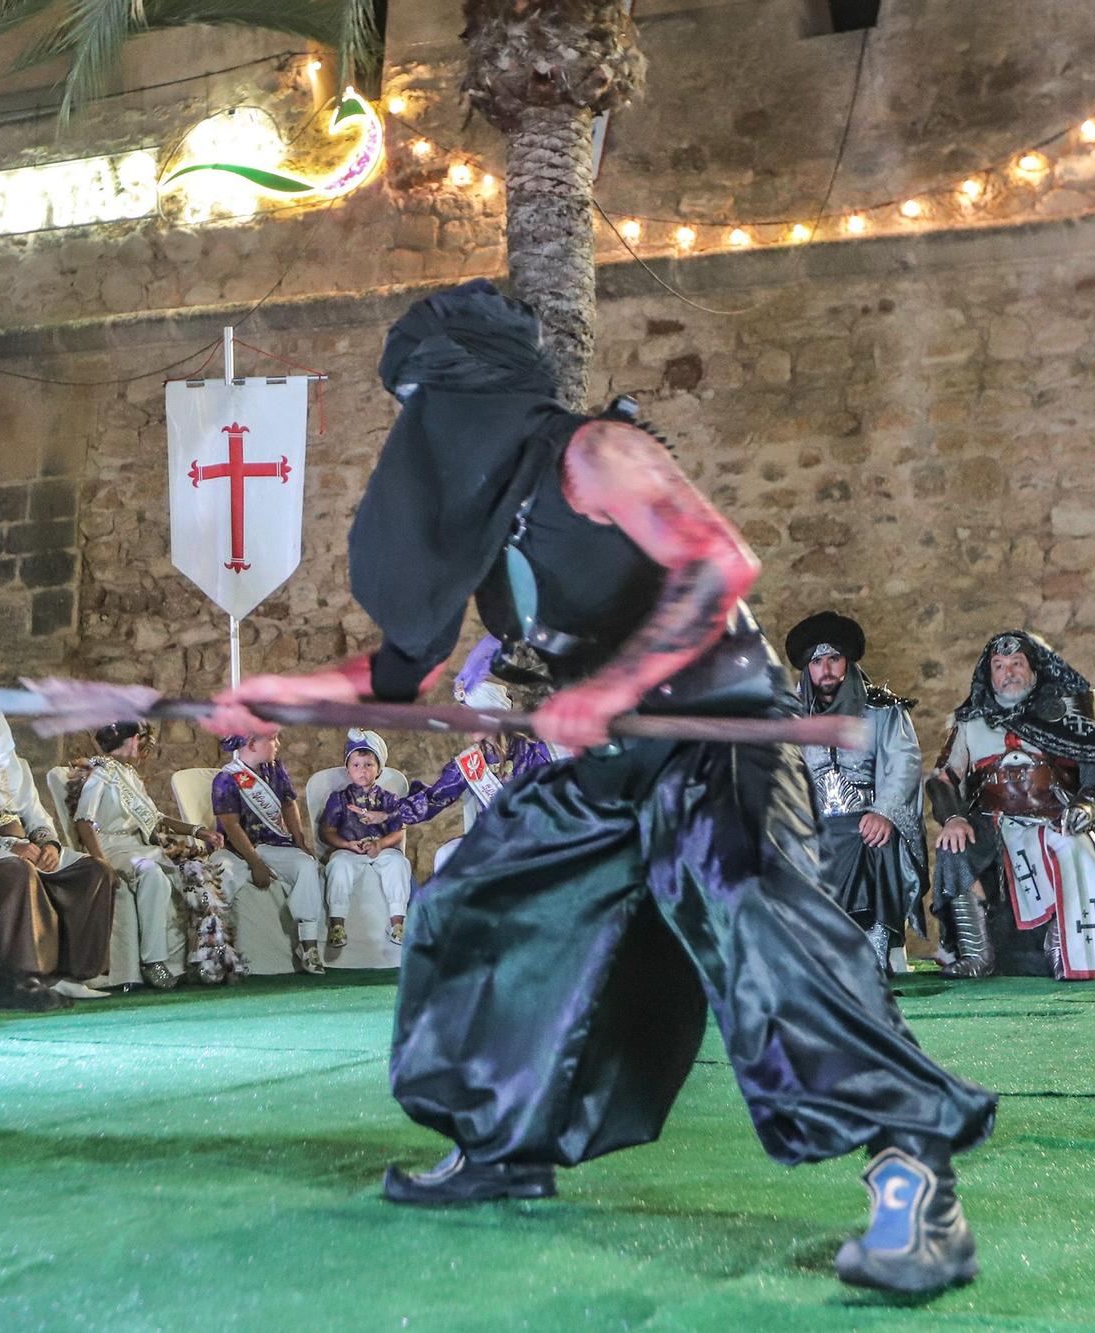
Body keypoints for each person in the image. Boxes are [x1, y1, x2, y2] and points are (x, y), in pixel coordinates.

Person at [211, 280, 995, 1295]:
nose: (420, 428)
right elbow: (404, 671)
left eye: (427, 399)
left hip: (715, 730)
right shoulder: (484, 520)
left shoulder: (593, 454)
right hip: (618, 753)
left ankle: (911, 1180)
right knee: (482, 896)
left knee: (750, 910)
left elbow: (717, 565)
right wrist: (282, 693)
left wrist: (617, 682)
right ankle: (503, 1141)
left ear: (476, 393)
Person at [929, 631, 1095, 979]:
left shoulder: (1069, 716)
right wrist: (953, 818)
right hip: (992, 822)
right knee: (955, 849)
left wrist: (1085, 809)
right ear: (989, 674)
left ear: (1034, 669)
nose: (1007, 672)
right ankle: (976, 953)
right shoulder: (970, 722)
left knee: (1073, 851)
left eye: (1016, 664)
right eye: (999, 666)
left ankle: (1063, 948)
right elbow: (942, 780)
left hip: (1053, 819)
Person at [0, 699, 118, 1000]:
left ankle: (74, 973)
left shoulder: (15, 764)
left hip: (26, 846)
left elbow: (36, 814)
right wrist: (11, 846)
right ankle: (30, 975)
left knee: (95, 870)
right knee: (20, 871)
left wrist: (48, 844)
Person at [784, 612, 926, 976]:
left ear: (846, 661)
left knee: (875, 839)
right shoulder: (791, 721)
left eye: (833, 658)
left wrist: (885, 813)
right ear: (807, 668)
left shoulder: (884, 710)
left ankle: (874, 947)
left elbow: (904, 762)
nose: (826, 669)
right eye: (817, 661)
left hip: (868, 821)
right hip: (814, 828)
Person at [390, 637, 567, 873]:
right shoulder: (470, 762)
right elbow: (434, 798)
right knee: (446, 855)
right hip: (493, 844)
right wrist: (387, 811)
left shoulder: (536, 751)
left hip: (536, 842)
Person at [71, 722, 223, 990]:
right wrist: (100, 862)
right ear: (132, 741)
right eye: (141, 742)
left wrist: (199, 832)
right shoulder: (101, 774)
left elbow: (157, 819)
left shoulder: (129, 775)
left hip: (140, 847)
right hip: (112, 847)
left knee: (190, 875)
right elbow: (84, 821)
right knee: (152, 872)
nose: (144, 749)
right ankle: (153, 962)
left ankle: (199, 958)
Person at [210, 732, 327, 974]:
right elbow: (231, 825)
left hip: (275, 845)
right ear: (252, 744)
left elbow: (287, 803)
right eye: (272, 738)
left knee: (306, 866)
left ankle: (309, 945)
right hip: (240, 851)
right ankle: (217, 951)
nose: (278, 743)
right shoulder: (226, 779)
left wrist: (299, 840)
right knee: (220, 878)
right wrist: (254, 863)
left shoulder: (275, 769)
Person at [316, 730, 411, 949]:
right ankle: (337, 924)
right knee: (338, 865)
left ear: (379, 769)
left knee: (398, 864)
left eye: (368, 765)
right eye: (356, 765)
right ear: (348, 770)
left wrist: (380, 844)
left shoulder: (389, 799)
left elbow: (399, 831)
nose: (362, 771)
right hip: (350, 849)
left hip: (381, 849)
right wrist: (346, 844)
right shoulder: (339, 798)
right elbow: (327, 831)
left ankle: (398, 923)